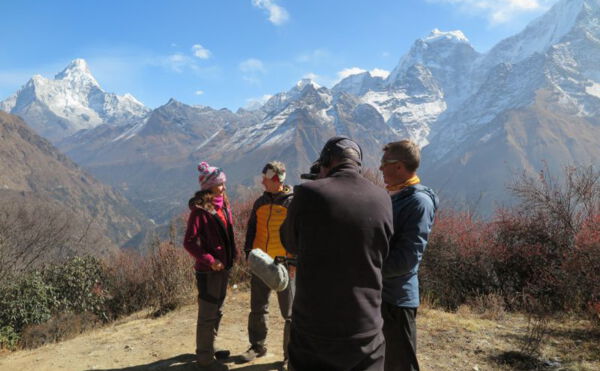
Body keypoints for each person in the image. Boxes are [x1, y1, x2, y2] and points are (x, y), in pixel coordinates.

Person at [281, 137, 394, 371]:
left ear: (326, 162)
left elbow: (289, 243)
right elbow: (383, 250)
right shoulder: (383, 197)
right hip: (367, 324)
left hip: (316, 326)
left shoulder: (308, 192)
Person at [378, 140, 438, 371]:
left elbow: (408, 258)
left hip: (398, 299)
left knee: (401, 365)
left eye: (385, 163)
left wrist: (370, 270)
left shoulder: (418, 202)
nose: (380, 168)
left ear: (400, 167)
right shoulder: (395, 196)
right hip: (382, 294)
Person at [183, 162, 237, 371]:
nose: (224, 187)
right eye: (220, 184)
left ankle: (210, 347)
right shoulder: (200, 211)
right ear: (209, 186)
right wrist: (209, 259)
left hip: (224, 268)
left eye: (223, 183)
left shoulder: (223, 203)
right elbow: (189, 242)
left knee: (218, 310)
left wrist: (233, 255)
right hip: (208, 271)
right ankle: (205, 359)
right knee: (207, 313)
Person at [241, 161, 295, 369]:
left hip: (285, 265)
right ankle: (257, 346)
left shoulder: (292, 203)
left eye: (266, 178)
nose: (262, 181)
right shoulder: (259, 202)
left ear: (276, 180)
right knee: (258, 307)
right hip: (261, 263)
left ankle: (289, 355)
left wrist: (294, 261)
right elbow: (251, 230)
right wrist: (249, 253)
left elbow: (297, 234)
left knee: (289, 314)